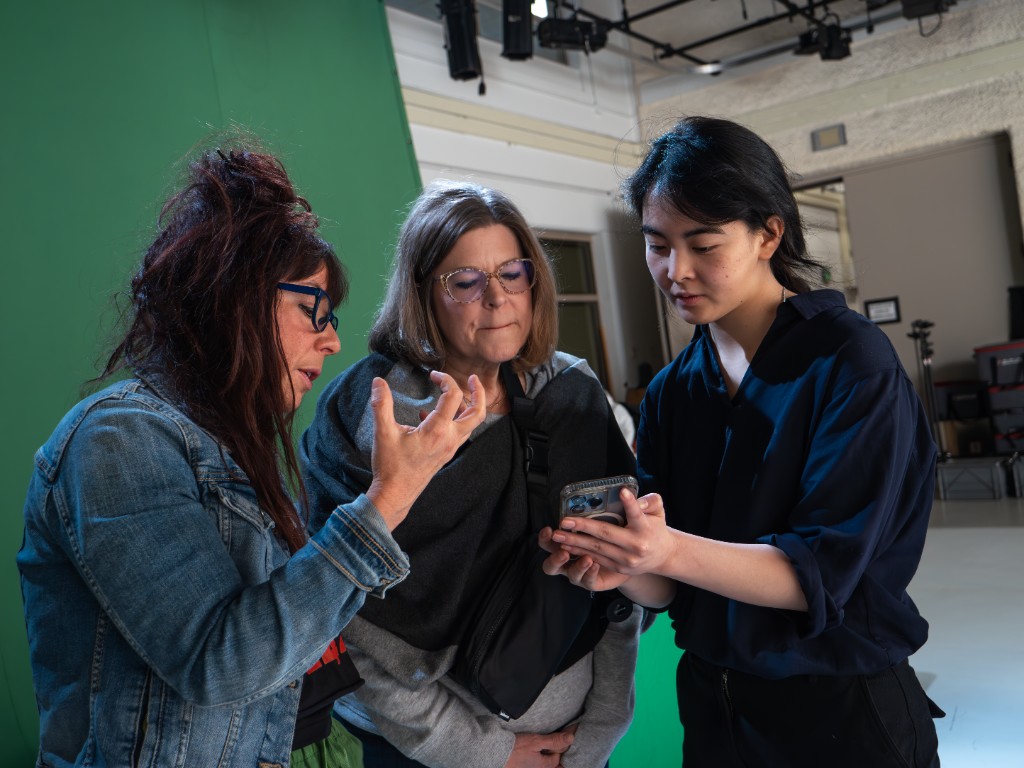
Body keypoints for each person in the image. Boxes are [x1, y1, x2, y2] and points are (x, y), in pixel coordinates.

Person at [17, 143, 485, 768]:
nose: (332, 340)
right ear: (234, 296)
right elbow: (220, 664)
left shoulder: (234, 449)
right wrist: (388, 497)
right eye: (313, 310)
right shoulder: (119, 440)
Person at [543, 116, 943, 768]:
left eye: (703, 245)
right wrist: (627, 567)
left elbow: (815, 578)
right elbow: (675, 585)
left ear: (768, 234)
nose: (676, 271)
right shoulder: (673, 392)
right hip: (716, 707)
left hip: (842, 708)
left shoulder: (848, 362)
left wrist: (665, 549)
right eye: (657, 245)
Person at [300, 180, 647, 768]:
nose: (498, 299)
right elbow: (344, 613)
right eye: (466, 282)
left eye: (512, 273)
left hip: (573, 742)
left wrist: (601, 731)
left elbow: (613, 584)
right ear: (422, 294)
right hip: (422, 751)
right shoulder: (368, 413)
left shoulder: (571, 393)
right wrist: (485, 754)